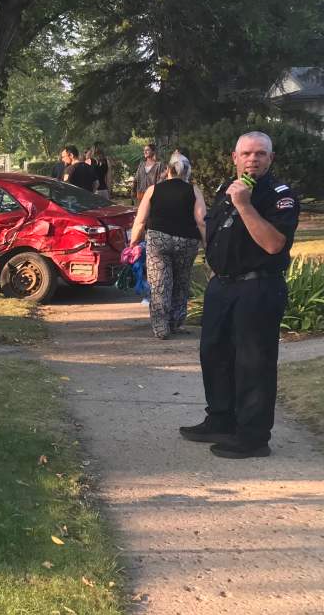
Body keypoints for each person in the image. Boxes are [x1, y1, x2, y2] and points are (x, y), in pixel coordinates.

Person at [180, 132, 300, 459]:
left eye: (260, 154)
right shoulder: (224, 190)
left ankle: (252, 436)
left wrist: (245, 204)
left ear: (270, 159)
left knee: (253, 363)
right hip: (223, 286)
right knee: (214, 355)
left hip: (257, 287)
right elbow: (213, 230)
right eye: (246, 153)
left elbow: (274, 244)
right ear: (234, 158)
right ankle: (220, 419)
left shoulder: (279, 195)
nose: (253, 159)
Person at [128, 153, 207, 338]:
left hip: (158, 240)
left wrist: (133, 242)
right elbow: (202, 221)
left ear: (168, 170)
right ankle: (176, 322)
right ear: (187, 171)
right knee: (181, 281)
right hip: (187, 241)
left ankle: (161, 327)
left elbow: (140, 220)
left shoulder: (153, 190)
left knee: (159, 283)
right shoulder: (194, 191)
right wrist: (207, 244)